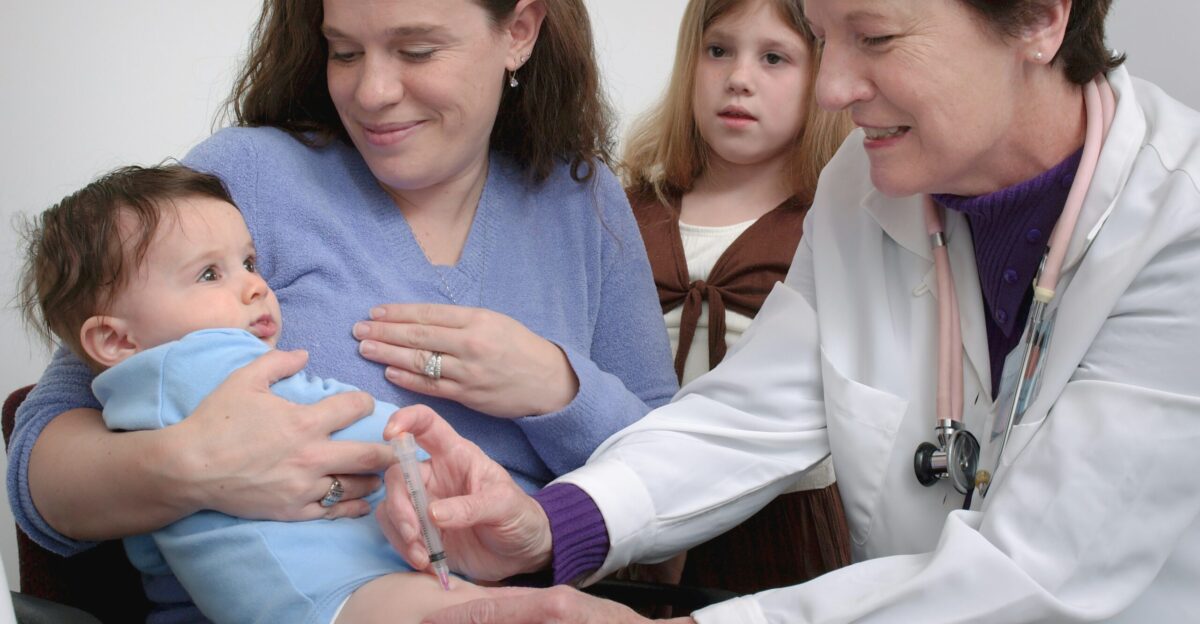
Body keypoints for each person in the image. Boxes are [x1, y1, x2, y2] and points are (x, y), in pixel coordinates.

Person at [378, 0, 1200, 621]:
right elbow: (750, 410)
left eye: (874, 37)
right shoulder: (866, 184)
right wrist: (552, 523)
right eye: (822, 34)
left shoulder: (1180, 225)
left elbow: (1039, 578)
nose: (834, 88)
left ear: (1041, 19)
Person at [7, 0, 677, 620]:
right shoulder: (243, 181)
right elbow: (41, 471)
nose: (372, 92)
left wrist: (556, 385)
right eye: (344, 51)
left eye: (415, 51)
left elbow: (677, 487)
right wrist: (193, 465)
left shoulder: (582, 205)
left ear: (519, 31)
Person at [18, 163, 496, 623]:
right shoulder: (193, 362)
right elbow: (339, 423)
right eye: (209, 274)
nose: (256, 286)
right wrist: (422, 446)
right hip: (313, 593)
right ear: (117, 341)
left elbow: (148, 550)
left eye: (248, 262)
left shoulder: (136, 403)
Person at [620, 0, 854, 593]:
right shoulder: (624, 209)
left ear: (824, 72)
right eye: (717, 49)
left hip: (781, 523)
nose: (738, 78)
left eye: (774, 57)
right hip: (629, 502)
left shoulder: (839, 222)